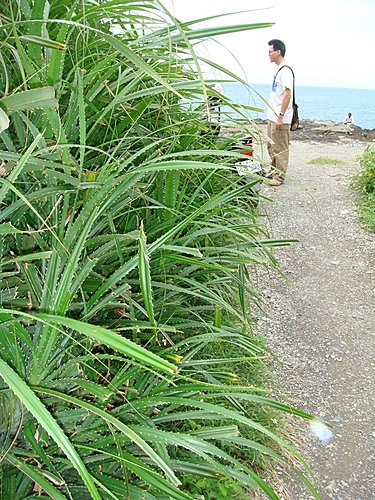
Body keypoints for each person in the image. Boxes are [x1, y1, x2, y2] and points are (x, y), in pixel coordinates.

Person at [266, 39, 294, 186]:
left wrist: (280, 116)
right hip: (273, 115)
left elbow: (287, 94)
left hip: (280, 117)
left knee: (280, 148)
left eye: (270, 51)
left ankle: (279, 177)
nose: (268, 54)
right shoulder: (279, 70)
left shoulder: (285, 71)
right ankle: (273, 172)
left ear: (278, 52)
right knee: (271, 145)